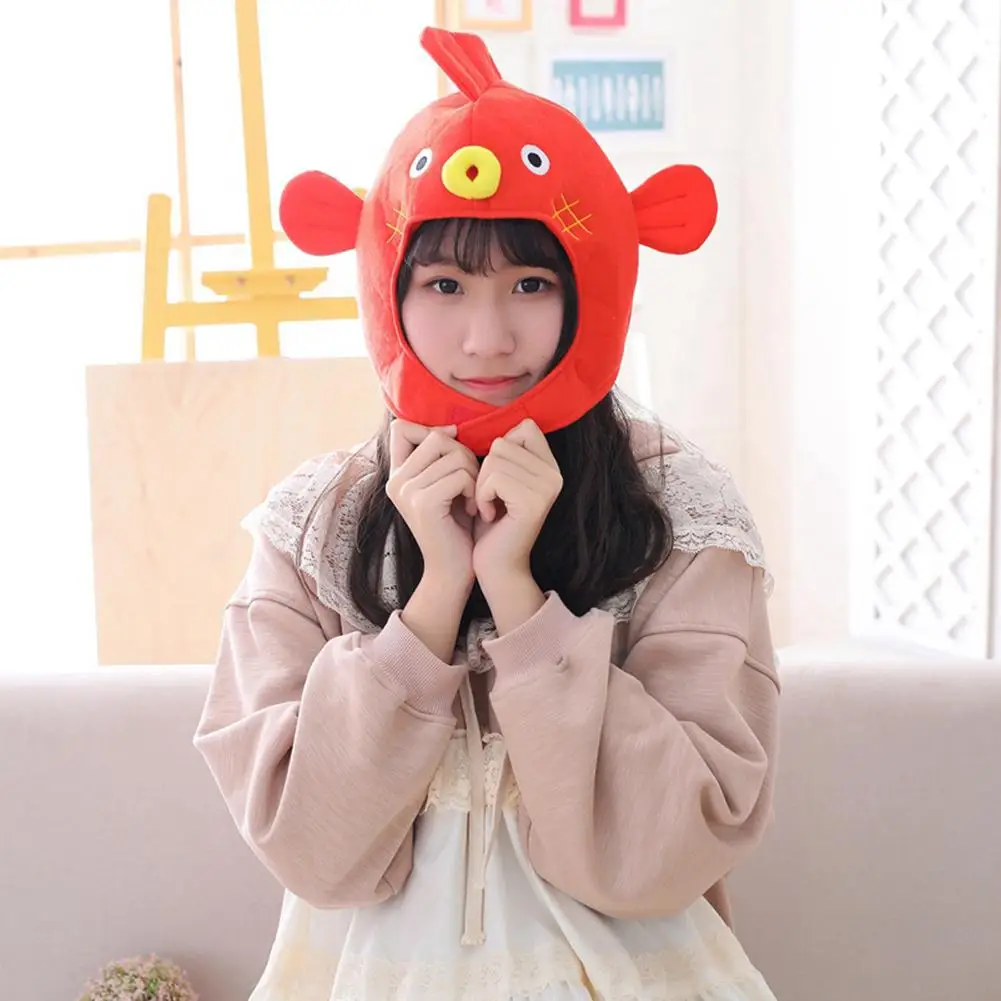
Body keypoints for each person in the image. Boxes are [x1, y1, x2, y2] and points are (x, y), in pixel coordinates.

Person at [194, 25, 780, 1001]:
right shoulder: (313, 523)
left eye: (531, 283)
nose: (486, 335)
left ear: (593, 286)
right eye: (444, 283)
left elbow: (671, 848)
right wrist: (432, 600)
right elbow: (312, 848)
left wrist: (518, 595)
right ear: (386, 288)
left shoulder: (681, 513)